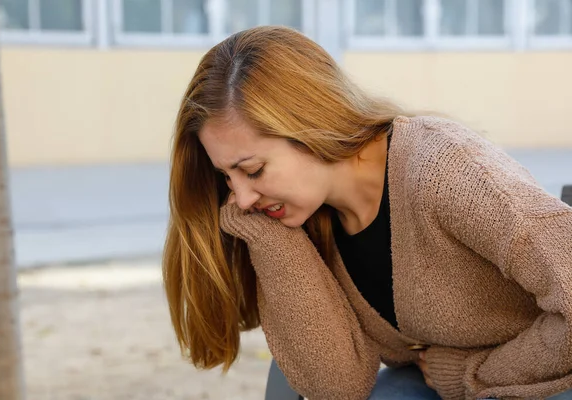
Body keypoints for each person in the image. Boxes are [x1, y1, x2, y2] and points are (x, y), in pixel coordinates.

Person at [162, 26, 572, 400]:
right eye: (228, 178)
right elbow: (337, 388)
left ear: (311, 125)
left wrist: (470, 372)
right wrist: (272, 240)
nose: (243, 198)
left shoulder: (442, 169)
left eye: (253, 170)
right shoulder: (308, 221)